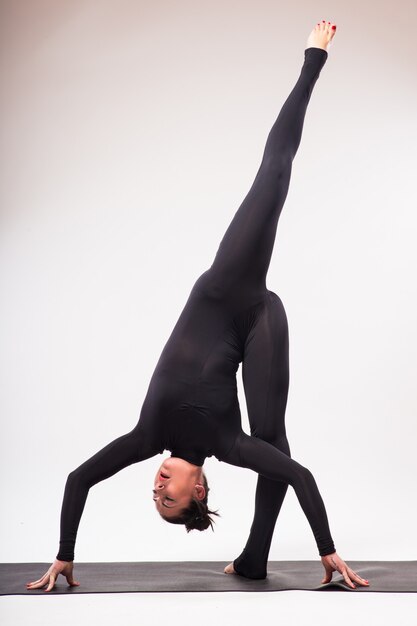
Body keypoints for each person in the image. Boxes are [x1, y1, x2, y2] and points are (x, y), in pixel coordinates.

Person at [26, 21, 370, 592]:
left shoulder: (147, 434)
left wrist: (64, 554)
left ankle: (255, 556)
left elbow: (77, 479)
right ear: (199, 490)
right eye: (170, 498)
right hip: (259, 316)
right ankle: (314, 57)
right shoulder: (226, 446)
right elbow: (302, 477)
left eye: (155, 496)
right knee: (275, 444)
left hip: (225, 287)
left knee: (273, 179)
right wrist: (327, 551)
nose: (157, 487)